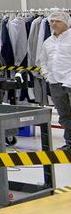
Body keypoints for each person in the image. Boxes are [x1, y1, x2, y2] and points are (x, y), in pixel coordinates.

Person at [37, 11, 71, 149]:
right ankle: (69, 144)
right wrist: (46, 74)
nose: (54, 24)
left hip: (70, 82)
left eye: (58, 21)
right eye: (52, 21)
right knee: (64, 115)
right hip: (55, 83)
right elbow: (43, 61)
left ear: (66, 23)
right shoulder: (48, 42)